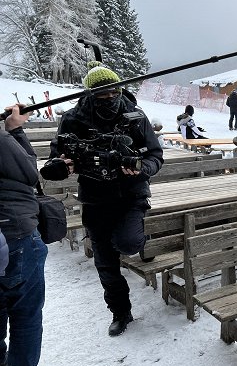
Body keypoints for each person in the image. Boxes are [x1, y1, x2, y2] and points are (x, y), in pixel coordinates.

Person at [43, 63, 164, 336]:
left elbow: (156, 157)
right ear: (89, 94)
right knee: (105, 263)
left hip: (131, 195)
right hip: (95, 199)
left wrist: (141, 168)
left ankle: (133, 239)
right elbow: (56, 158)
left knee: (128, 243)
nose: (109, 99)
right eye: (101, 95)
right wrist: (59, 167)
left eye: (113, 93)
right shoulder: (73, 120)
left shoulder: (135, 116)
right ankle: (121, 313)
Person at [1, 103, 60, 366]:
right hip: (16, 234)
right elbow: (29, 173)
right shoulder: (2, 141)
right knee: (25, 313)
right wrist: (15, 131)